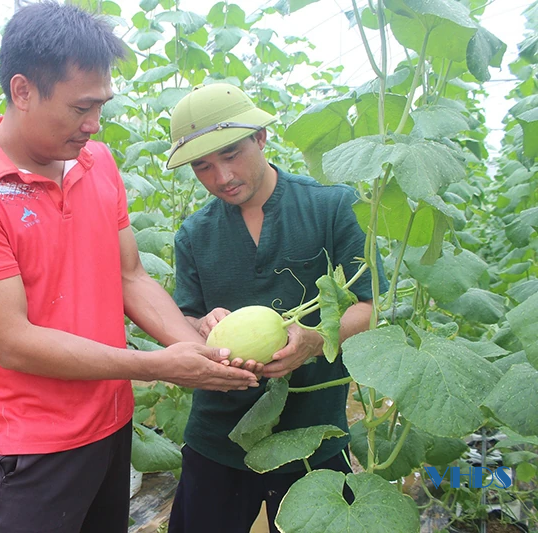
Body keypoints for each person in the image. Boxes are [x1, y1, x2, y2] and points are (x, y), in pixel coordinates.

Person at [0, 5, 261, 533]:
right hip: (37, 447)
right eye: (81, 107)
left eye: (101, 105)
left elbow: (131, 276)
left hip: (112, 425)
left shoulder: (96, 162)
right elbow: (12, 341)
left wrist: (200, 353)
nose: (94, 124)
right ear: (22, 90)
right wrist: (157, 365)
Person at [165, 83, 388, 533]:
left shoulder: (332, 206)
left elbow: (371, 307)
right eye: (203, 166)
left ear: (260, 138)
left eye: (231, 154)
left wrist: (316, 339)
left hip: (313, 433)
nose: (221, 176)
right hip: (218, 434)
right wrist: (202, 323)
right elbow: (184, 316)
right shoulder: (194, 234)